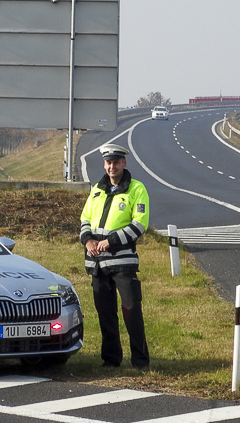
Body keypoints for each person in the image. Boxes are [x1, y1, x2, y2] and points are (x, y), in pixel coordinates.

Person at [80, 143, 150, 369]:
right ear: (104, 164)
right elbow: (85, 220)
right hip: (97, 264)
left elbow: (139, 225)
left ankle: (140, 360)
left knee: (131, 310)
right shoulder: (96, 190)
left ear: (124, 163)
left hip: (123, 263)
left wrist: (110, 241)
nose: (112, 167)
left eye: (116, 162)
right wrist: (88, 240)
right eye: (108, 163)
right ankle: (111, 359)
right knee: (105, 314)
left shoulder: (136, 189)